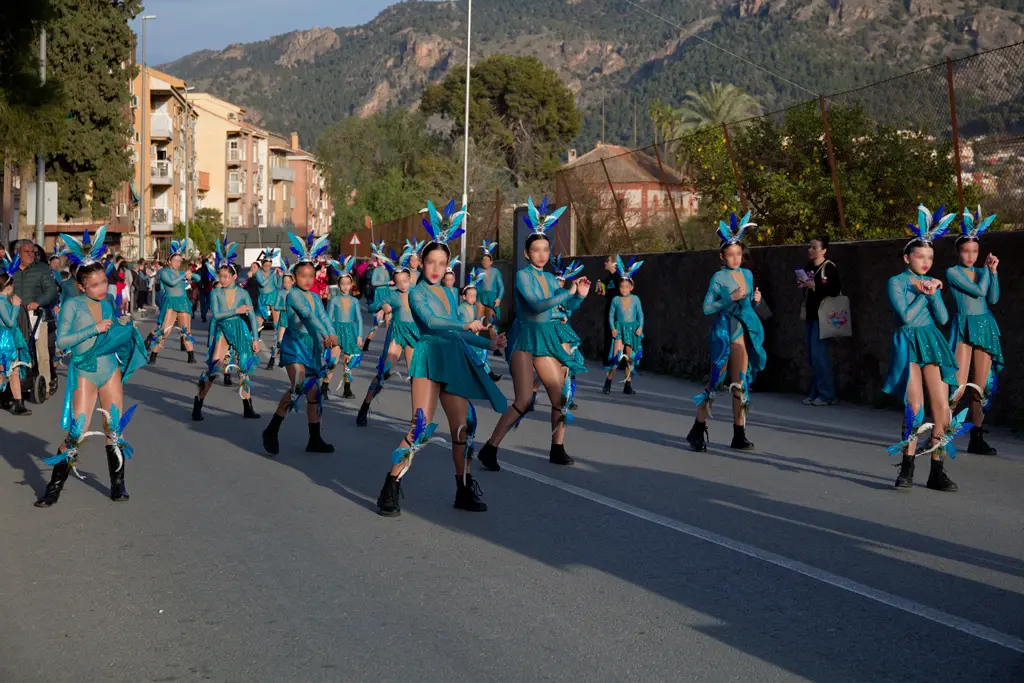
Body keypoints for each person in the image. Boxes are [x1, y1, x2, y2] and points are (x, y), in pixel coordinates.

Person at [374, 199, 507, 517]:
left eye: (441, 262)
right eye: (430, 261)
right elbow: (433, 322)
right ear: (422, 263)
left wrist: (489, 342)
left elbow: (458, 333)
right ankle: (390, 486)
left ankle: (463, 488)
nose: (435, 268)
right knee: (420, 427)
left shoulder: (449, 292)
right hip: (428, 358)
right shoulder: (416, 292)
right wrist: (465, 324)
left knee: (462, 429)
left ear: (448, 264)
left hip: (452, 359)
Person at [475, 197, 591, 473]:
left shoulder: (550, 278)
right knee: (524, 400)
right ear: (527, 254)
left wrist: (579, 296)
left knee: (560, 396)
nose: (541, 254)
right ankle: (490, 448)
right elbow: (538, 306)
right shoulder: (522, 277)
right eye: (536, 250)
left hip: (546, 339)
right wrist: (567, 291)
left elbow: (562, 308)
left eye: (545, 249)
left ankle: (557, 448)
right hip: (525, 340)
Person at [35, 227, 147, 507]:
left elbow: (110, 334)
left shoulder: (108, 303)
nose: (102, 288)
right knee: (77, 432)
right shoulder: (72, 305)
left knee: (115, 428)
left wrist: (122, 328)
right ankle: (54, 487)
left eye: (103, 282)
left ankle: (118, 484)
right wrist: (94, 329)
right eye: (95, 285)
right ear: (82, 286)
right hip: (84, 370)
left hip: (109, 370)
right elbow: (63, 341)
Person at [884, 205, 962, 492]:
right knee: (914, 408)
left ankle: (937, 471)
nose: (926, 262)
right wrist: (924, 294)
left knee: (942, 409)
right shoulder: (896, 282)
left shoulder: (930, 282)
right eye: (920, 256)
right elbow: (906, 317)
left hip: (931, 342)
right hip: (908, 343)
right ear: (907, 258)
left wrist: (933, 294)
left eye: (930, 257)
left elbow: (942, 318)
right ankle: (907, 467)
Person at [687, 212, 766, 453]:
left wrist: (755, 301)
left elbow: (747, 307)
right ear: (722, 256)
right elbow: (706, 307)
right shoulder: (718, 277)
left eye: (738, 254)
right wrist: (729, 298)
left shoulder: (747, 275)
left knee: (740, 385)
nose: (735, 258)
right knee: (714, 382)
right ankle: (698, 429)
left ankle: (739, 434)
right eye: (730, 254)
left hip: (741, 335)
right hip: (723, 334)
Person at [261, 232, 338, 456]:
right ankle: (271, 430)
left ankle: (314, 439)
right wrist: (325, 333)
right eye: (303, 276)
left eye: (311, 276)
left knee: (314, 394)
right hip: (294, 345)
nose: (308, 279)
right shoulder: (293, 295)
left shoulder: (315, 297)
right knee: (298, 386)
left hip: (311, 346)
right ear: (294, 277)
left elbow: (323, 316)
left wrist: (332, 335)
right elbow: (309, 317)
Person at [946, 206, 1002, 456]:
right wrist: (986, 274)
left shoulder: (982, 272)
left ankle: (976, 438)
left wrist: (993, 272)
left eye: (975, 252)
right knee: (957, 387)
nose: (971, 256)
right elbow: (979, 291)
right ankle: (940, 434)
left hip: (985, 326)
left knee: (980, 388)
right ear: (957, 251)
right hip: (964, 326)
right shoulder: (953, 272)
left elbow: (993, 297)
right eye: (966, 251)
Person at [191, 239, 261, 422]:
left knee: (243, 369)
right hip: (222, 329)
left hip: (239, 330)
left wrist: (255, 338)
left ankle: (248, 406)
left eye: (225, 276)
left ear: (234, 277)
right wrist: (236, 311)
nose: (221, 279)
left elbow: (252, 317)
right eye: (220, 276)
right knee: (214, 368)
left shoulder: (243, 293)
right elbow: (217, 314)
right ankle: (198, 402)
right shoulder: (216, 292)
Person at [356, 247, 420, 426]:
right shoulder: (391, 295)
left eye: (405, 281)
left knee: (415, 377)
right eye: (399, 282)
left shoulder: (417, 293)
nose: (403, 285)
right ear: (394, 282)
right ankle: (365, 405)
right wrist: (382, 306)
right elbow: (371, 307)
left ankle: (416, 417)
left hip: (413, 334)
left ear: (410, 279)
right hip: (397, 334)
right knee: (384, 371)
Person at [12, 238, 60, 394]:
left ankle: (44, 387)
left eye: (32, 252)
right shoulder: (10, 271)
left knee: (41, 353)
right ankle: (16, 384)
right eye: (26, 252)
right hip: (14, 316)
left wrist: (38, 302)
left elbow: (51, 291)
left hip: (37, 316)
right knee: (14, 351)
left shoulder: (41, 269)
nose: (31, 255)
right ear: (17, 253)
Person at [799, 236, 841, 406]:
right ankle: (815, 392)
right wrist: (803, 285)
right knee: (812, 356)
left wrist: (814, 286)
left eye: (814, 247)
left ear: (824, 250)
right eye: (810, 247)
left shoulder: (829, 268)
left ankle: (827, 395)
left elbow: (834, 290)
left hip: (823, 317)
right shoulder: (809, 267)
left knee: (820, 355)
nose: (810, 250)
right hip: (810, 315)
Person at [146, 241, 200, 364]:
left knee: (186, 331)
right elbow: (172, 282)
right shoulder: (164, 272)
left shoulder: (180, 273)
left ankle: (191, 355)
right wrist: (184, 275)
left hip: (183, 302)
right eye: (175, 260)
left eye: (179, 261)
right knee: (164, 331)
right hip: (170, 302)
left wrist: (191, 274)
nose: (178, 263)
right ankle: (153, 355)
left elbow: (198, 278)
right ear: (169, 261)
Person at [603, 256, 645, 396]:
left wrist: (640, 327)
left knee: (630, 358)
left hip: (632, 330)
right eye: (621, 286)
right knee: (616, 357)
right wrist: (613, 328)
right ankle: (608, 383)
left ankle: (628, 385)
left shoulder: (636, 299)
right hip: (619, 330)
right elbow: (611, 315)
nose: (624, 289)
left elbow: (640, 315)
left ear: (632, 287)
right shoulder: (616, 299)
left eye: (627, 287)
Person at [324, 256, 363, 401]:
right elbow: (328, 318)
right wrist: (328, 334)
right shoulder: (334, 300)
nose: (345, 287)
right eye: (343, 284)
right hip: (337, 330)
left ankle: (347, 389)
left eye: (348, 283)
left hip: (350, 332)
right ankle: (324, 387)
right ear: (338, 285)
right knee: (333, 361)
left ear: (351, 284)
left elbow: (359, 319)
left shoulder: (354, 301)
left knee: (348, 362)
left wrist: (359, 335)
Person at [0, 255, 32, 415]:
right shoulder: (1, 301)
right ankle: (16, 403)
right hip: (4, 340)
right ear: (8, 286)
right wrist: (16, 306)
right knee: (7, 370)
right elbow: (10, 322)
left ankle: (18, 403)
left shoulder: (4, 299)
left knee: (13, 370)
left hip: (7, 339)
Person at [362, 246, 392, 352]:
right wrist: (387, 282)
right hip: (379, 296)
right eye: (379, 259)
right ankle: (367, 342)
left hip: (387, 295)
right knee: (377, 322)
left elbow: (389, 284)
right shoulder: (376, 270)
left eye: (382, 258)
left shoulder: (387, 270)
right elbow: (374, 283)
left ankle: (389, 345)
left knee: (389, 321)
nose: (381, 260)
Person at [477, 240, 504, 326]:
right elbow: (473, 284)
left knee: (491, 320)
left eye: (487, 260)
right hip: (479, 297)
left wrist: (499, 298)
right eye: (483, 260)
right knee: (478, 319)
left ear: (491, 262)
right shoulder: (478, 271)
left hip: (492, 298)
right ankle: (476, 333)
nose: (485, 262)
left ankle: (492, 333)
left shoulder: (496, 271)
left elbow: (501, 287)